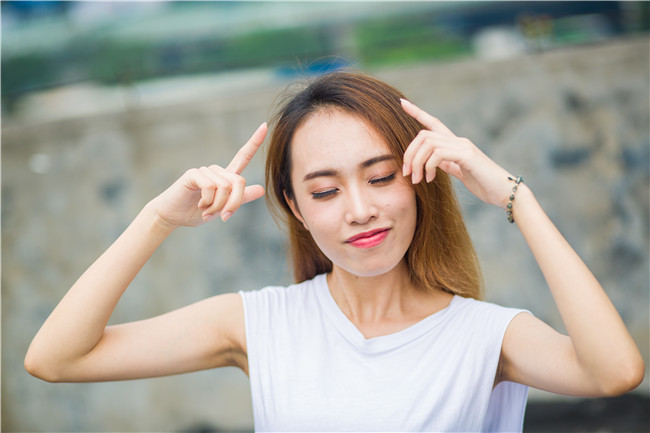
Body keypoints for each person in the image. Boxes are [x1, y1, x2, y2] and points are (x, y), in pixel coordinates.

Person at [25, 72, 644, 432]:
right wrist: (157, 218)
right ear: (295, 206)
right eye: (325, 190)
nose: (358, 209)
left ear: (421, 176)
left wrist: (515, 197)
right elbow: (56, 358)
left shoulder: (486, 337)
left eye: (380, 177)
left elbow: (614, 373)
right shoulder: (258, 325)